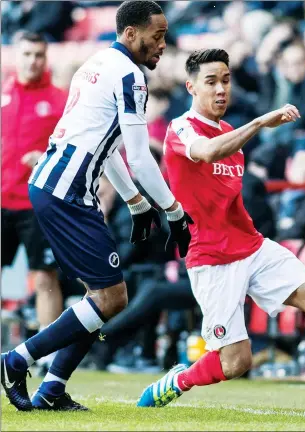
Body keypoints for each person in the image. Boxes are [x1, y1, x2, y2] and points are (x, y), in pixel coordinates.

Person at [137, 48, 305, 415]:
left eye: (226, 80)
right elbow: (208, 152)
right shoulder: (182, 128)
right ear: (190, 87)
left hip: (251, 246)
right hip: (211, 258)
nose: (221, 89)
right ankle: (178, 380)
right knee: (236, 363)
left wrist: (248, 129)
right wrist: (259, 123)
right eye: (211, 82)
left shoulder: (232, 137)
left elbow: (225, 158)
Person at [1, 0, 192, 412]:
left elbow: (108, 147)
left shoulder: (98, 62)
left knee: (104, 295)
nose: (162, 45)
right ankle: (17, 360)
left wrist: (137, 201)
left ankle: (52, 390)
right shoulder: (130, 76)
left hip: (58, 187)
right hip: (66, 192)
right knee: (110, 297)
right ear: (130, 34)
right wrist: (173, 211)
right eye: (156, 36)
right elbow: (140, 158)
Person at [1, 31, 68, 372]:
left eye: (39, 55)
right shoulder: (3, 94)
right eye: (27, 54)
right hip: (1, 200)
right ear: (17, 55)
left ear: (46, 58)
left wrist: (45, 158)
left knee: (44, 278)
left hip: (36, 202)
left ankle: (48, 352)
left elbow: (71, 150)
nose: (33, 61)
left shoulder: (59, 101)